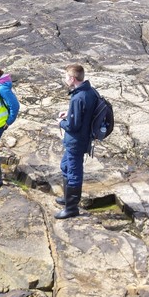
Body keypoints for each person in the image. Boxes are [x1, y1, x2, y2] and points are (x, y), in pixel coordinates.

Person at [55, 64, 98, 219]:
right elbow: (85, 113)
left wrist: (61, 123)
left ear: (72, 79)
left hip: (76, 141)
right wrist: (69, 113)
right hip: (82, 138)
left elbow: (73, 126)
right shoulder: (89, 91)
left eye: (66, 77)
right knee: (65, 165)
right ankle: (68, 198)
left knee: (74, 172)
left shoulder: (78, 97)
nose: (65, 79)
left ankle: (71, 208)